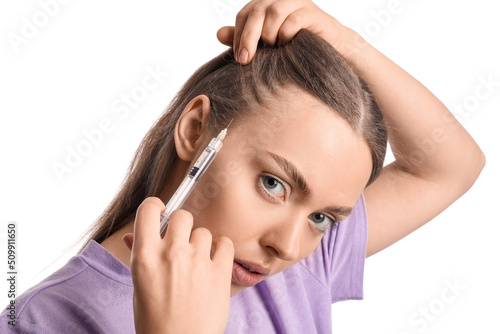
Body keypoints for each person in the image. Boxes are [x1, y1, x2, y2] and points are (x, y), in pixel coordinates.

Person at [1, 0, 485, 333]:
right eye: (273, 184)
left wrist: (346, 43)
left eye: (323, 218)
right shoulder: (45, 320)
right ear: (195, 131)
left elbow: (449, 165)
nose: (288, 245)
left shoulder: (300, 263)